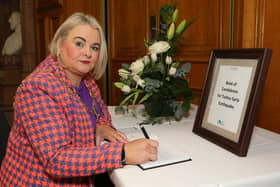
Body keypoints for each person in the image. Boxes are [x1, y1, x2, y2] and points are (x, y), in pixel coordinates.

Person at [0, 12, 158, 186]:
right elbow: (56, 160)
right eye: (79, 43)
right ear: (60, 44)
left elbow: (100, 111)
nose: (87, 53)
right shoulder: (37, 89)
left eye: (95, 47)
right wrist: (122, 153)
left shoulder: (87, 81)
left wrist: (101, 126)